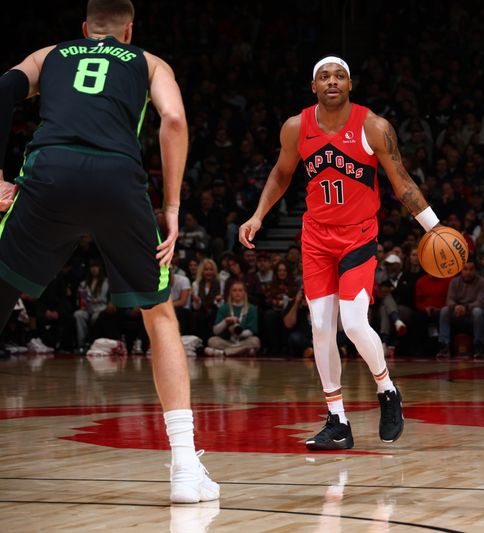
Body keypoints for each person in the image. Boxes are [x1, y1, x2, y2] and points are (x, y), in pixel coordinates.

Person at [0, 0, 217, 503]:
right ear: (128, 29)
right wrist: (172, 206)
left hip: (51, 171)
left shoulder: (49, 54)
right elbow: (175, 120)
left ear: (84, 28)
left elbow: (3, 90)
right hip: (118, 179)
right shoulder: (149, 62)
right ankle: (184, 467)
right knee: (159, 314)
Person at [239, 56, 442, 450]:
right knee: (319, 328)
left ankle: (387, 390)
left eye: (340, 76)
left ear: (351, 85)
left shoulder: (373, 126)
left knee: (352, 322)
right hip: (315, 238)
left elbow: (401, 182)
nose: (332, 81)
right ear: (313, 86)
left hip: (358, 236)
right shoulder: (297, 127)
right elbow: (281, 173)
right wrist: (258, 215)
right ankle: (338, 421)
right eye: (324, 77)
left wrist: (435, 227)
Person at [205, 280, 260, 357]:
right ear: (230, 293)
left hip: (243, 340)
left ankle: (223, 353)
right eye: (234, 290)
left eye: (240, 290)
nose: (237, 293)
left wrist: (238, 333)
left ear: (244, 293)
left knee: (255, 341)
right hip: (227, 341)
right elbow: (215, 331)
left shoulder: (251, 308)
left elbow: (251, 331)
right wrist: (225, 322)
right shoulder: (224, 308)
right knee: (212, 341)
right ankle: (242, 351)